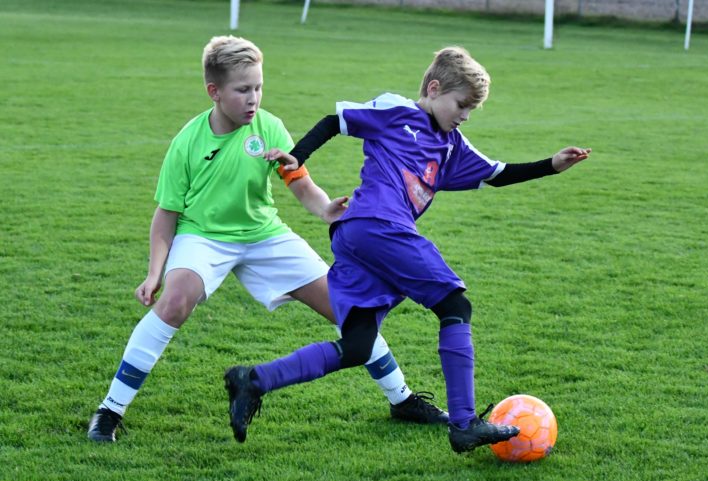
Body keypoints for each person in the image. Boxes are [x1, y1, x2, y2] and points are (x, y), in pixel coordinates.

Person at [224, 45, 591, 452]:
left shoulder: (452, 145)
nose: (465, 115)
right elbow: (335, 121)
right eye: (461, 105)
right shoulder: (397, 111)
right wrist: (298, 156)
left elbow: (497, 173)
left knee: (358, 346)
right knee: (455, 306)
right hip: (378, 226)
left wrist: (551, 165)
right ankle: (465, 423)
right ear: (433, 89)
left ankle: (253, 380)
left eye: (472, 110)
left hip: (359, 238)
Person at [86, 36, 449, 442]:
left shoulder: (270, 126)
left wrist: (325, 208)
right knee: (174, 302)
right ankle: (110, 410)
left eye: (258, 87)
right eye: (243, 89)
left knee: (348, 308)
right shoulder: (187, 142)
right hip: (203, 236)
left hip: (264, 235)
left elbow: (299, 181)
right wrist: (155, 272)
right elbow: (166, 215)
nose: (253, 98)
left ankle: (402, 400)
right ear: (214, 91)